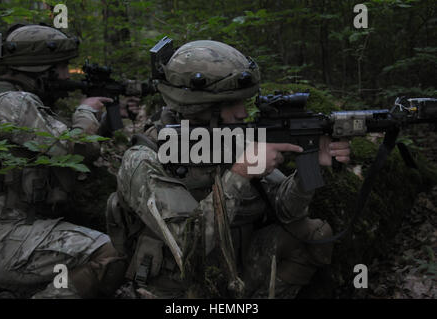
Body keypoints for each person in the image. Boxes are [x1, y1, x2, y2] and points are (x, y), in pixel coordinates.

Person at [106, 40, 351, 298]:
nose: (242, 113)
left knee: (311, 234)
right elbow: (188, 247)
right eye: (230, 103)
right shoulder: (145, 159)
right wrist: (241, 172)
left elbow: (286, 212)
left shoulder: (231, 138)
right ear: (198, 106)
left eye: (244, 102)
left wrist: (309, 166)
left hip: (236, 270)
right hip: (179, 285)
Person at [0, 24, 126, 298]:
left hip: (9, 225)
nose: (68, 74)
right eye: (63, 67)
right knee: (110, 254)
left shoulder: (9, 100)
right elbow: (76, 150)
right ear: (43, 69)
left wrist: (106, 118)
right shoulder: (14, 104)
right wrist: (86, 111)